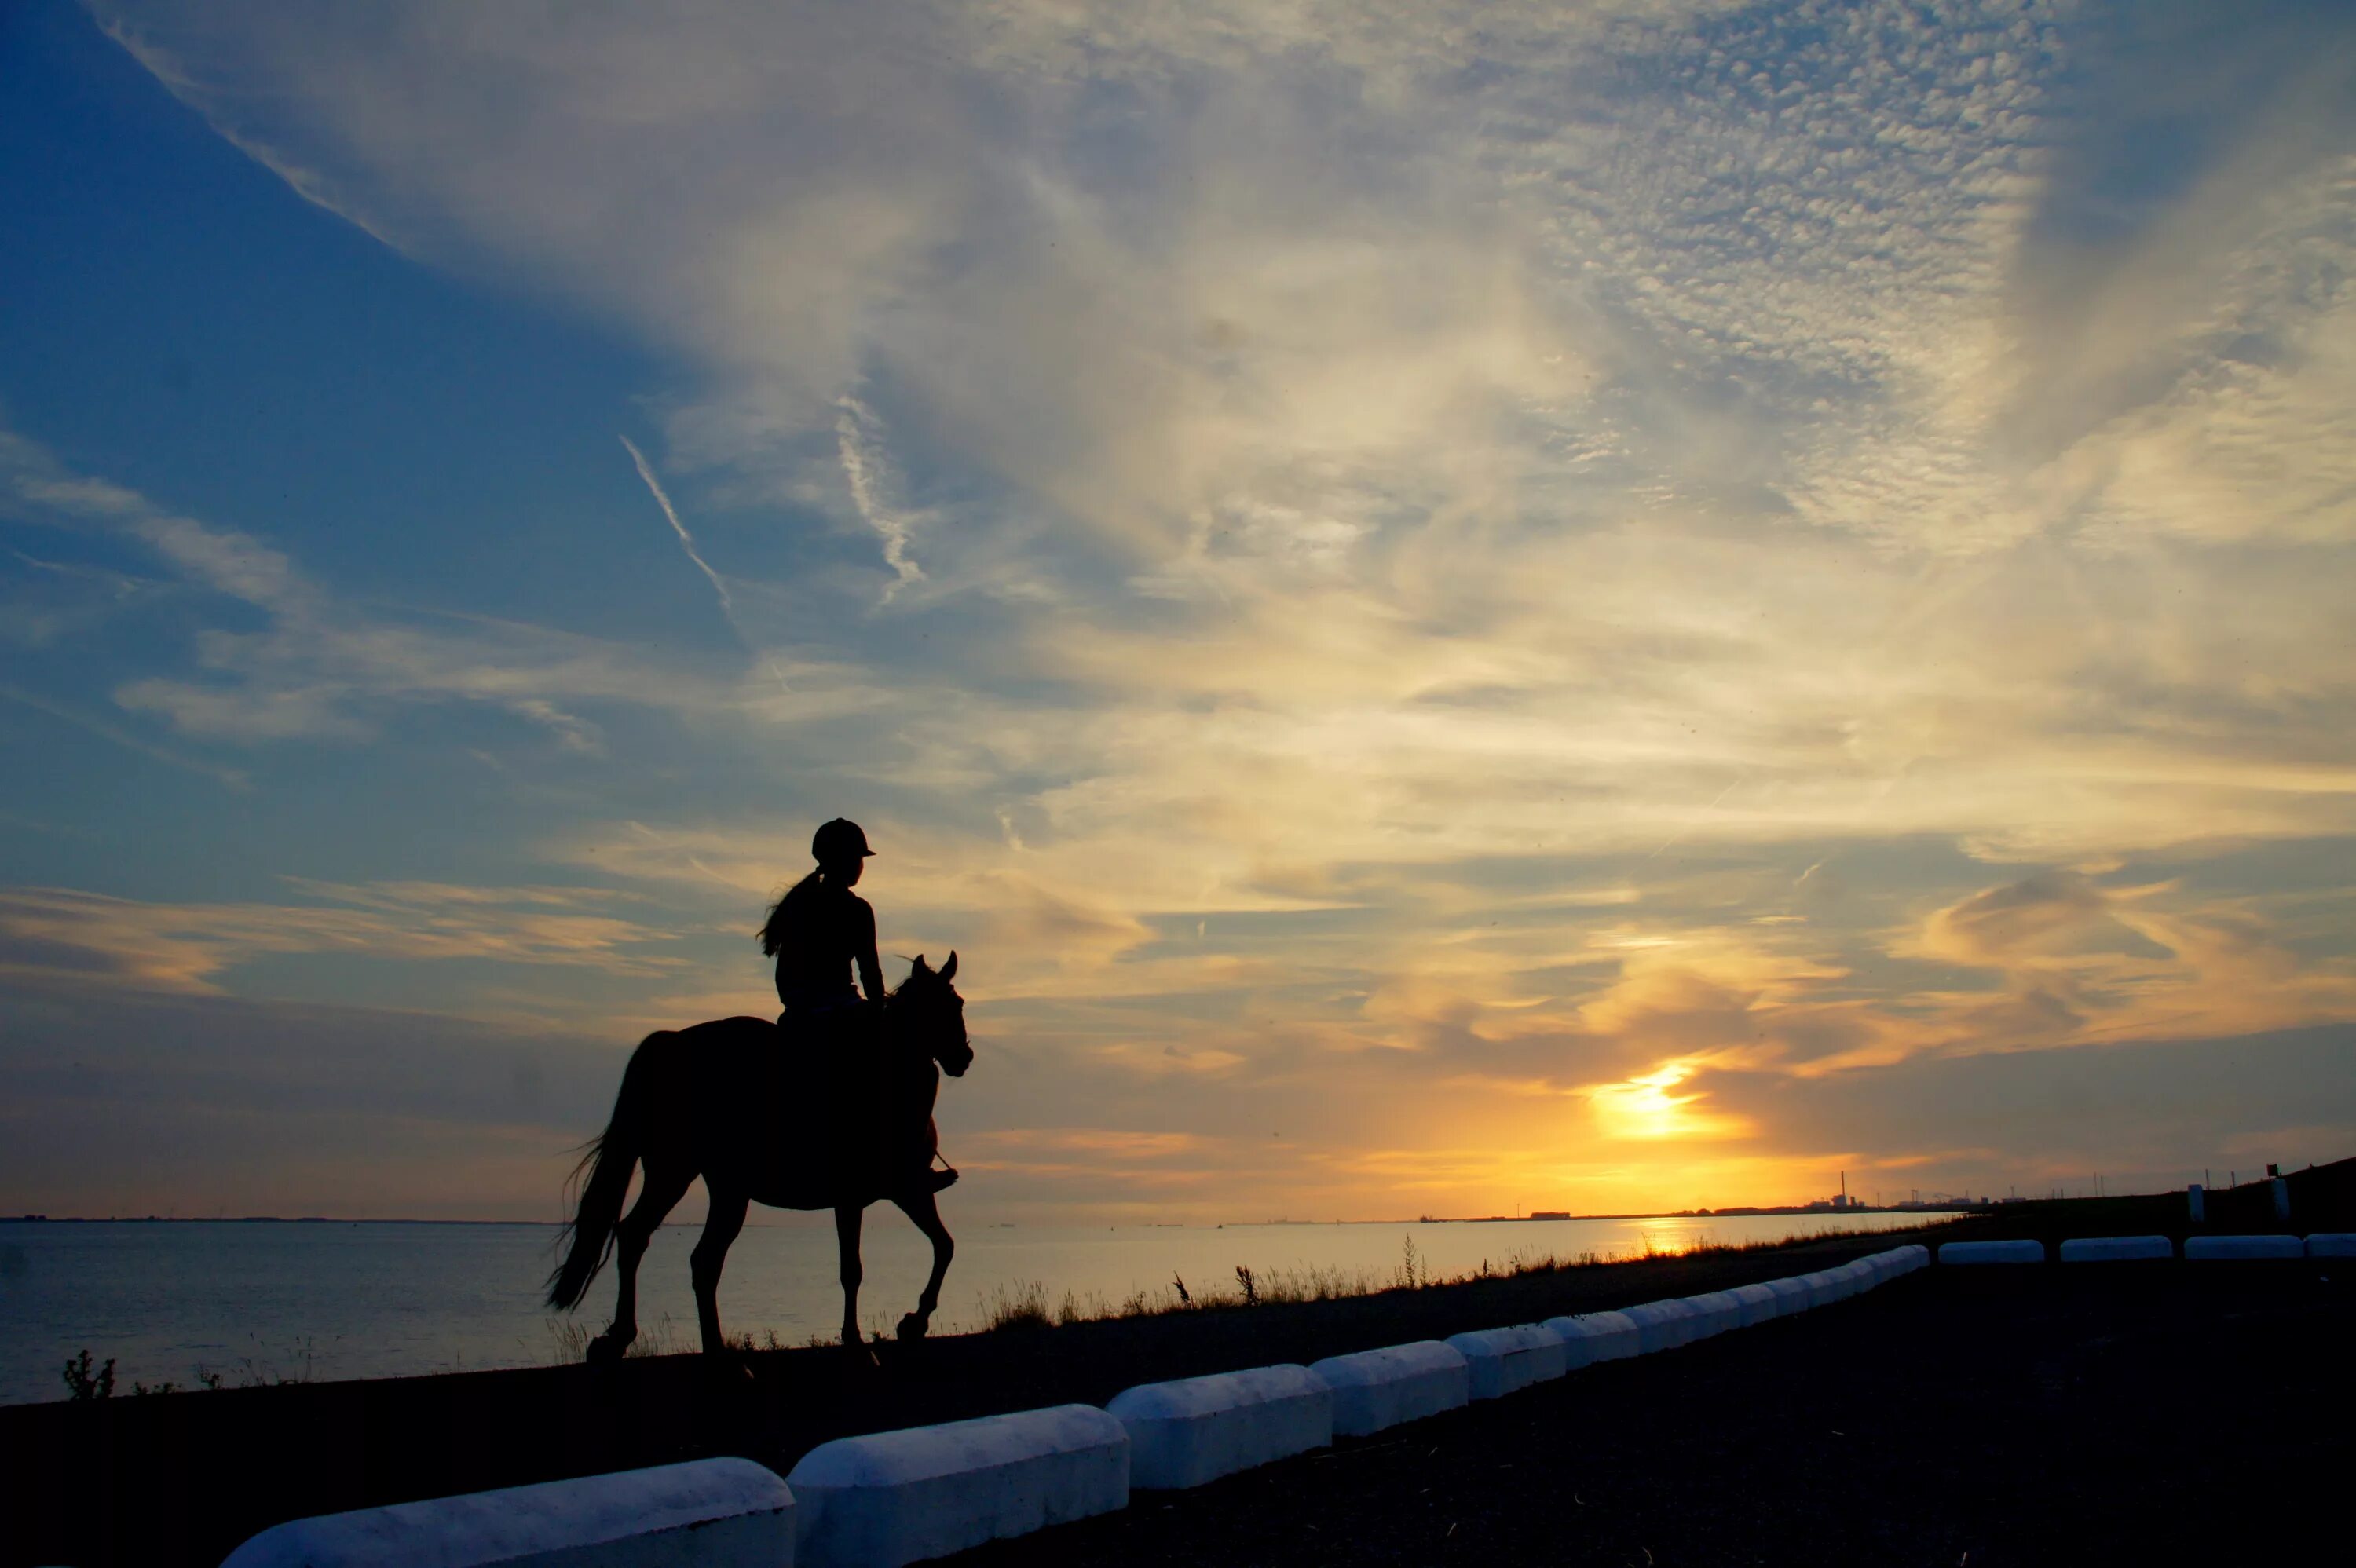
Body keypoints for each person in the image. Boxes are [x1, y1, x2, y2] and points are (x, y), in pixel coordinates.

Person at [759, 818, 956, 1194]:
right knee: (921, 1072)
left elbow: (787, 972)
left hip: (802, 1006)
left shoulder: (801, 902)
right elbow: (870, 970)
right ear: (840, 861)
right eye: (856, 858)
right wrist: (878, 1009)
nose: (860, 866)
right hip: (833, 1007)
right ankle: (908, 1161)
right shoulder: (855, 909)